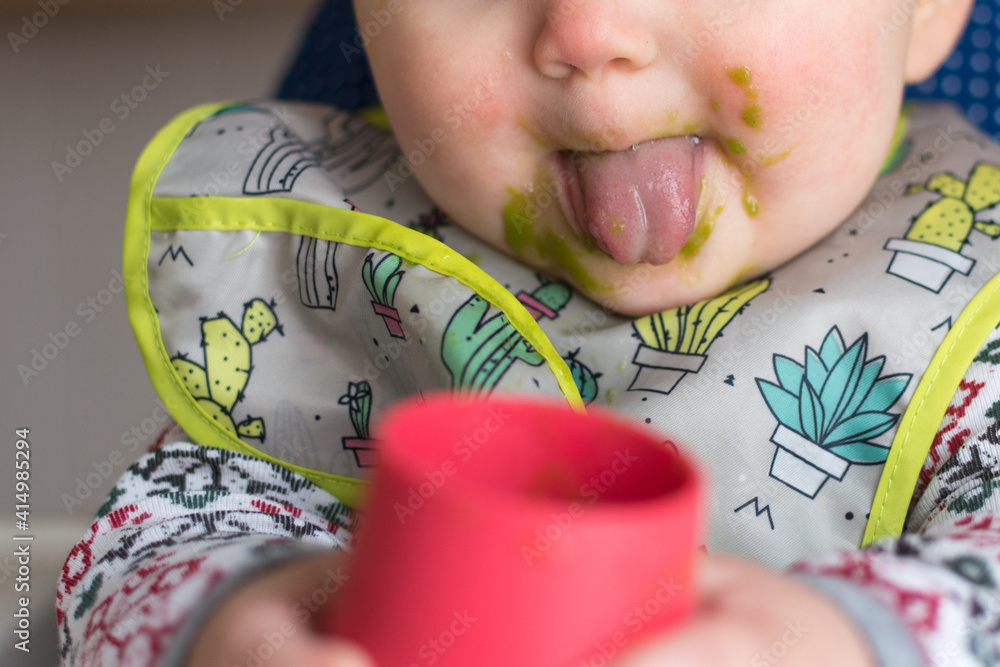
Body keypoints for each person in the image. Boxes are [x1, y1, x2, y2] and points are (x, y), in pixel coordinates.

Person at [57, 0, 1000, 664]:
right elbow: (149, 540)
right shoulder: (354, 281)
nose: (586, 31)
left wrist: (846, 639)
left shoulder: (971, 304)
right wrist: (238, 620)